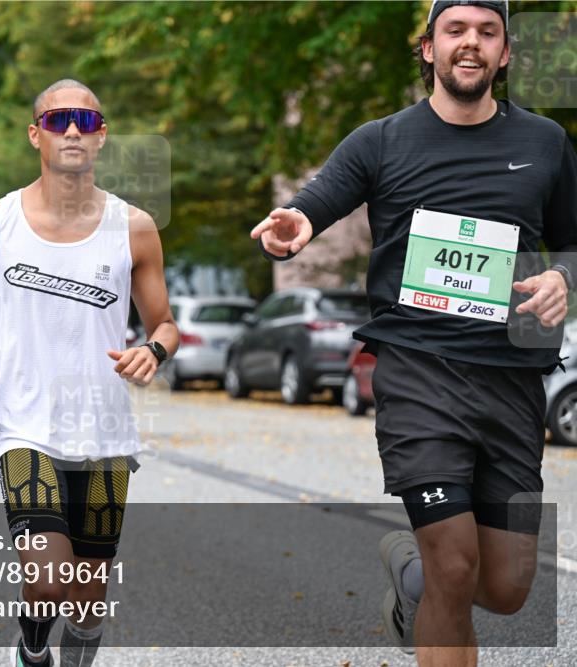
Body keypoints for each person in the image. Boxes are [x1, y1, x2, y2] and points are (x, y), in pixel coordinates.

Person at [250, 2, 576, 664]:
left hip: (511, 381)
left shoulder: (545, 144)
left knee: (508, 585)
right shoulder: (382, 140)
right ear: (428, 48)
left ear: (506, 54)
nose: (471, 43)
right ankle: (432, 567)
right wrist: (295, 228)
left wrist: (565, 280)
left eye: (488, 33)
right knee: (455, 568)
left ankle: (410, 569)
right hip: (418, 376)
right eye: (455, 30)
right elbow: (313, 206)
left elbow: (573, 247)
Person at [0, 79, 179, 667]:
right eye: (58, 121)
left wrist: (152, 353)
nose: (74, 130)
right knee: (49, 578)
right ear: (37, 134)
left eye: (87, 119)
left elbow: (165, 324)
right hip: (23, 424)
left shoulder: (134, 227)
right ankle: (31, 650)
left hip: (103, 431)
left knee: (88, 600)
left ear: (102, 135)